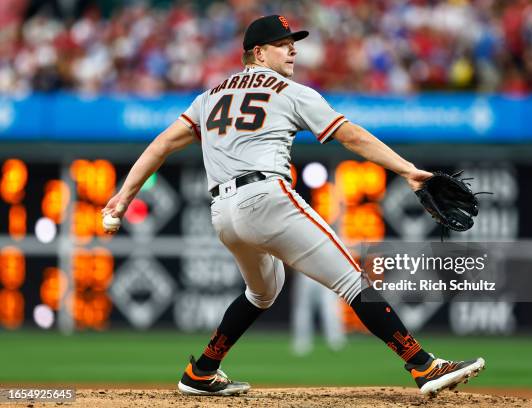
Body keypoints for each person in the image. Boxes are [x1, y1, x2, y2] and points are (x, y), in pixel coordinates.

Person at [102, 15, 485, 397]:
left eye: (293, 41)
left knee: (263, 291)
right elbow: (349, 136)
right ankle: (423, 365)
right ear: (258, 53)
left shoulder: (209, 97)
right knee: (353, 279)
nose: (293, 48)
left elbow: (162, 144)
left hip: (222, 214)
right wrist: (408, 170)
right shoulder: (289, 91)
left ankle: (201, 370)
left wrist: (123, 196)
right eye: (282, 43)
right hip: (265, 199)